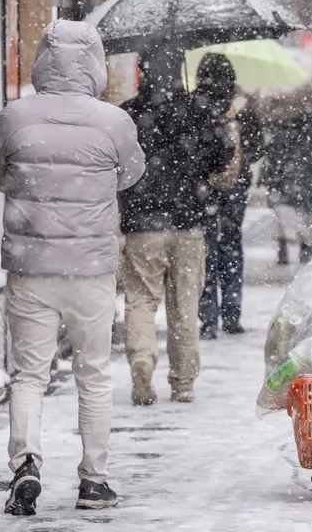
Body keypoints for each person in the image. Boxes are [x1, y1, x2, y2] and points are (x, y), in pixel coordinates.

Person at [0, 20, 145, 515]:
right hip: (91, 269)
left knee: (29, 374)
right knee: (93, 374)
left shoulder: (14, 115)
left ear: (41, 61)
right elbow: (131, 175)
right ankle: (94, 482)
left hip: (31, 268)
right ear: (94, 63)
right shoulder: (114, 121)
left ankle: (26, 461)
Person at [119, 55, 234, 405]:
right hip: (189, 224)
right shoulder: (200, 110)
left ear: (143, 73)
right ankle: (183, 383)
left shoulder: (128, 114)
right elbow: (224, 155)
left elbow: (115, 163)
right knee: (184, 308)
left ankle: (141, 357)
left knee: (140, 300)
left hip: (142, 225)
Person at [193, 54, 264, 337]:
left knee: (205, 248)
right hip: (236, 185)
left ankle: (208, 319)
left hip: (204, 186)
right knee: (232, 245)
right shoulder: (242, 106)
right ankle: (232, 316)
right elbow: (258, 147)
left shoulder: (195, 105)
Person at [262, 84, 312, 265]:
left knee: (282, 210)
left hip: (283, 169)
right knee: (306, 210)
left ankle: (284, 244)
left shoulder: (276, 106)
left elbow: (268, 141)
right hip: (305, 170)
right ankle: (305, 245)